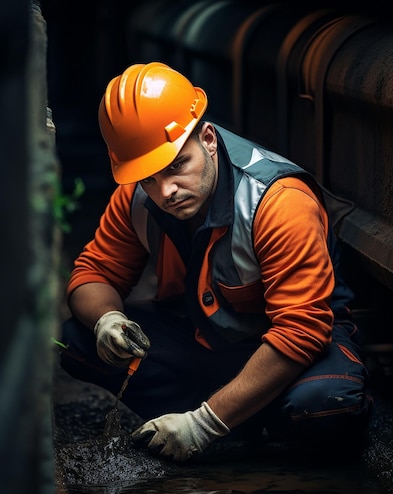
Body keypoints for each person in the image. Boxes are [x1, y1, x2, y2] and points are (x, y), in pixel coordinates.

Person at [60, 61, 372, 463]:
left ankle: (234, 416)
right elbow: (95, 273)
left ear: (207, 138)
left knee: (325, 404)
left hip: (295, 351)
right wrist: (107, 320)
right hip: (209, 341)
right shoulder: (139, 195)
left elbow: (300, 331)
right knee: (81, 341)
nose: (166, 191)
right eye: (148, 178)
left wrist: (203, 424)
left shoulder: (277, 201)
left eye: (177, 166)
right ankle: (238, 413)